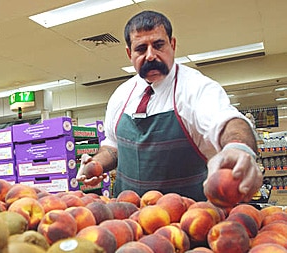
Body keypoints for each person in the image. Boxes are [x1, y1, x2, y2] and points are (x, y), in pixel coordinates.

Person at [77, 10, 263, 201]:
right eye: (141, 48)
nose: (150, 55)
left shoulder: (195, 87)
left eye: (158, 45)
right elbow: (114, 145)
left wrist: (239, 148)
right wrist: (97, 163)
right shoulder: (121, 95)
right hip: (129, 220)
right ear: (129, 53)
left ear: (172, 45)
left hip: (187, 220)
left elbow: (226, 120)